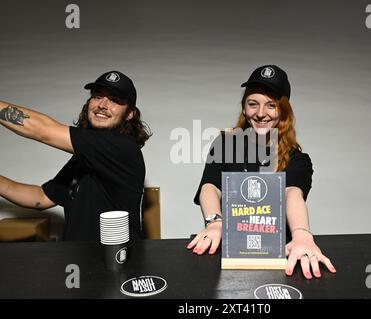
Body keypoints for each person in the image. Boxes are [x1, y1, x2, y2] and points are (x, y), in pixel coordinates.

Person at [187, 65, 336, 279]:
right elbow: (210, 187)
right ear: (244, 108)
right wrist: (215, 222)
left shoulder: (298, 160)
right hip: (228, 251)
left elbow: (292, 193)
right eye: (253, 104)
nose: (260, 113)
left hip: (278, 255)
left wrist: (302, 235)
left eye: (270, 105)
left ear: (283, 111)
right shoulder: (225, 144)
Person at [0, 70, 151, 242]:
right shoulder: (86, 157)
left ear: (130, 114)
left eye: (115, 100)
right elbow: (40, 198)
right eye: (97, 96)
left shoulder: (122, 148)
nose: (102, 104)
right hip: (78, 264)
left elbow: (41, 130)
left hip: (115, 264)